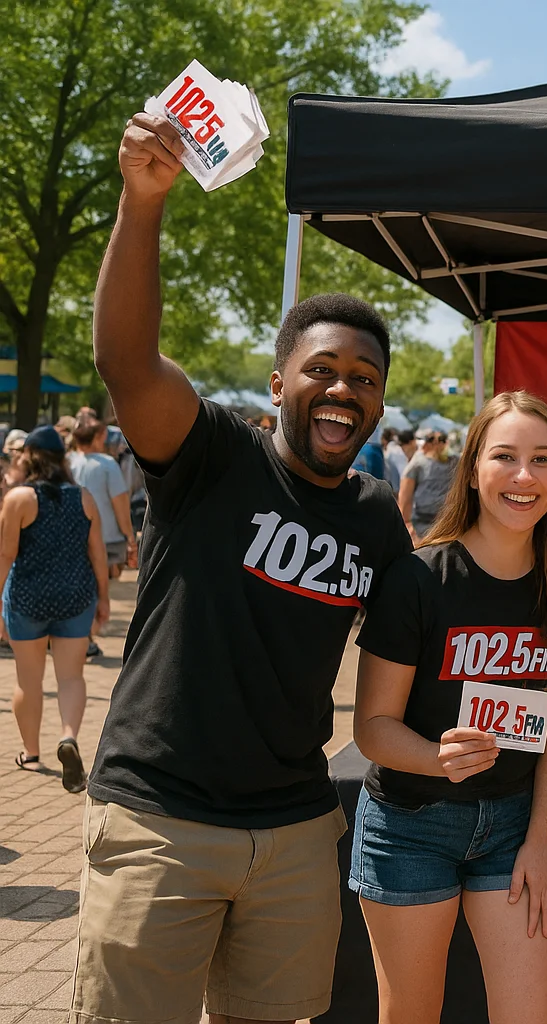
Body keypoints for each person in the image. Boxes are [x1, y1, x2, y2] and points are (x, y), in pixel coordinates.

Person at [73, 112, 413, 1024]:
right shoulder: (213, 453)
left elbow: (415, 650)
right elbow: (126, 360)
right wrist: (142, 203)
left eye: (366, 378)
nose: (344, 389)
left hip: (296, 832)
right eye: (323, 369)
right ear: (277, 384)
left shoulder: (380, 518)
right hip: (160, 821)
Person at [350, 391, 547, 1023]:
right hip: (410, 823)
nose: (525, 477)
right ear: (473, 469)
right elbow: (372, 729)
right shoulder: (418, 579)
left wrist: (540, 840)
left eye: (543, 460)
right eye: (506, 457)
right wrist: (440, 759)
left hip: (517, 824)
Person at [0, 426, 110, 793]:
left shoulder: (19, 498)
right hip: (76, 598)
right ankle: (68, 736)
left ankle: (31, 754)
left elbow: (6, 555)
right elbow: (97, 553)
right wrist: (104, 599)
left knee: (27, 680)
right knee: (71, 677)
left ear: (27, 457)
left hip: (27, 599)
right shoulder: (84, 497)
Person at [67, 417, 137, 579]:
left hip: (74, 538)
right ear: (100, 436)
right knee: (104, 588)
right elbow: (120, 504)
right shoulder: (107, 465)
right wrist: (129, 536)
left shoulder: (67, 462)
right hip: (107, 538)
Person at [400, 430, 457, 542]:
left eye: (442, 441)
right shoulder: (419, 462)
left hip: (447, 524)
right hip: (422, 524)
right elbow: (405, 495)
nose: (440, 445)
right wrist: (406, 523)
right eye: (436, 441)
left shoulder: (456, 461)